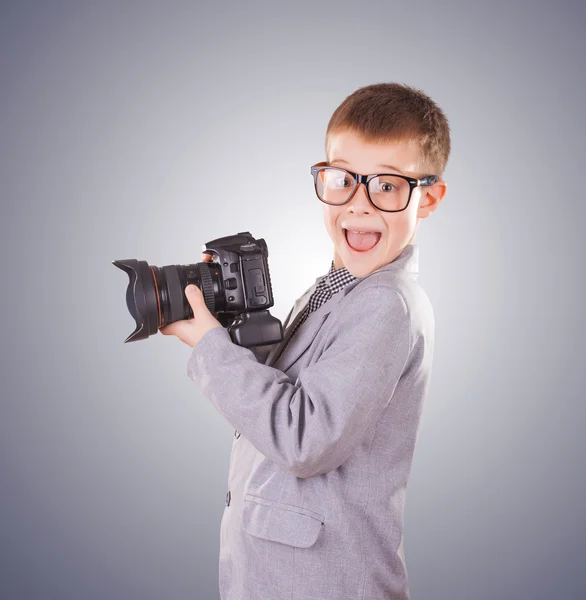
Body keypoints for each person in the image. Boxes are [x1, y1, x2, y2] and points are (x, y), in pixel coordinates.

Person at [160, 81, 450, 600]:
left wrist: (210, 348)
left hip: (327, 582)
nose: (358, 206)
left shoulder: (388, 304)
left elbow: (304, 440)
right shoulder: (334, 290)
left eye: (387, 185)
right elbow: (290, 393)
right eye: (342, 180)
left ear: (427, 197)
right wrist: (227, 327)